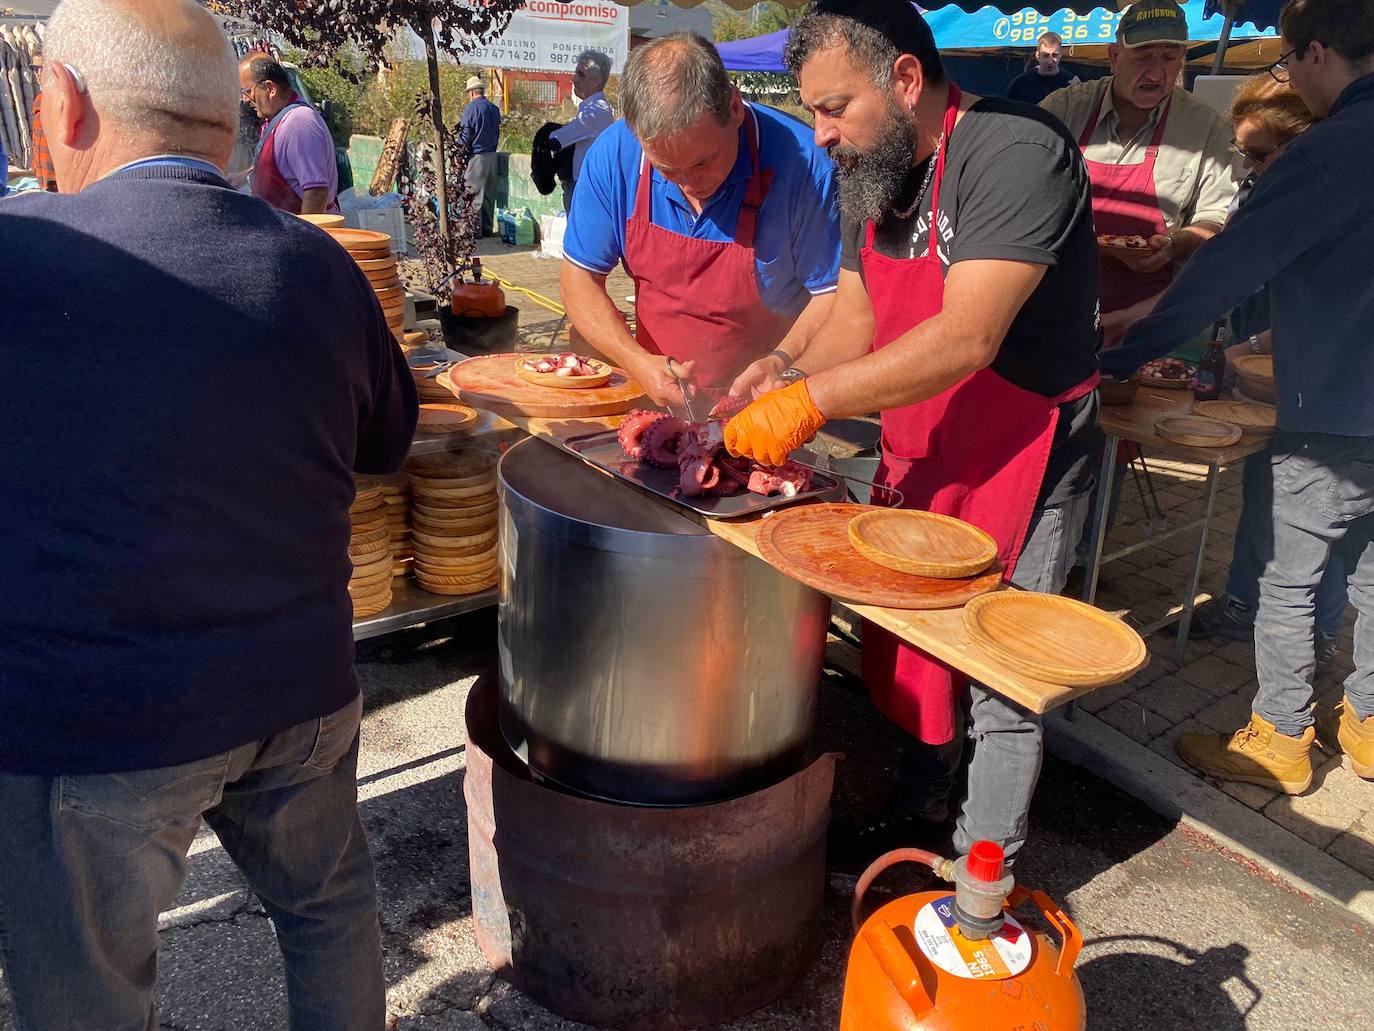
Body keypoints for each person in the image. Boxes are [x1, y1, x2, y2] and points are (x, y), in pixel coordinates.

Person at [0, 1, 417, 1028]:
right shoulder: (319, 266)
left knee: (86, 985)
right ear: (227, 123)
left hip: (99, 722)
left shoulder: (18, 256)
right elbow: (385, 443)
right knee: (326, 912)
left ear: (61, 102)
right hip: (298, 689)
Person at [723, 0, 1103, 866]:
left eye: (832, 107)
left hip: (1026, 444)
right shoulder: (877, 169)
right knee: (910, 636)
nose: (818, 133)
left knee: (1005, 666)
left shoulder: (1015, 153)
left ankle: (983, 874)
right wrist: (781, 369)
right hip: (927, 432)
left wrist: (810, 403)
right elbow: (854, 316)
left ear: (902, 78)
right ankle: (921, 806)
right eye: (811, 109)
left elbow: (968, 336)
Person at [1099, 0, 1374, 791]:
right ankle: (1363, 723)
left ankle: (1280, 735)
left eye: (1287, 62)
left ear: (1318, 52)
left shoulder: (1330, 150)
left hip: (1337, 405)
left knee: (1290, 577)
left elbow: (1228, 266)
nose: (1289, 76)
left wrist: (1126, 345)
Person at [559, 32, 840, 407]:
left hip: (768, 404)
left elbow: (835, 296)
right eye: (667, 170)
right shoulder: (614, 155)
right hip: (652, 393)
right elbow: (579, 278)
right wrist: (636, 361)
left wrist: (783, 364)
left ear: (735, 107)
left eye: (703, 162)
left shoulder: (808, 168)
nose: (690, 184)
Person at [1191, 74, 1348, 657]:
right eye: (1243, 153)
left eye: (1258, 155)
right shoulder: (1269, 189)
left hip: (1313, 382)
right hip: (1265, 368)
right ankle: (1241, 603)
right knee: (1262, 493)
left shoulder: (1331, 197)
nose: (1249, 167)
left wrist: (1254, 343)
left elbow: (1333, 302)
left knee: (1315, 518)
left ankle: (1315, 640)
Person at [1041, 0, 1241, 342]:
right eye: (1143, 56)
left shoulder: (1207, 127)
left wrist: (1174, 244)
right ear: (1114, 56)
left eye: (1169, 57)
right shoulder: (1062, 110)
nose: (1156, 73)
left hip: (1146, 320)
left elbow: (1217, 222)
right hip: (1052, 311)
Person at [232, 55, 339, 214]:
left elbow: (316, 192)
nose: (245, 100)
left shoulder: (299, 122)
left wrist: (305, 237)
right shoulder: (280, 120)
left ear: (270, 89)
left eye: (247, 91)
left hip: (298, 233)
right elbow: (286, 168)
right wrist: (245, 176)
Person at [551, 49, 616, 212]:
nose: (573, 79)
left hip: (586, 188)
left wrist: (546, 136)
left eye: (581, 75)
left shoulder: (597, 111)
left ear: (595, 80)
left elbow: (559, 138)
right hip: (582, 186)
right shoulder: (592, 109)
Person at [459, 74, 502, 236]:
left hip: (477, 156)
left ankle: (474, 231)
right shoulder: (493, 108)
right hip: (493, 156)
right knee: (489, 197)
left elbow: (465, 134)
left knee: (474, 195)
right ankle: (487, 229)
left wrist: (459, 154)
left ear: (471, 93)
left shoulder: (472, 109)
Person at [1006, 31, 1080, 105]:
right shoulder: (1020, 83)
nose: (1050, 61)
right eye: (1046, 55)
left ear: (1061, 54)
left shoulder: (1072, 83)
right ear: (1037, 56)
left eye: (1054, 55)